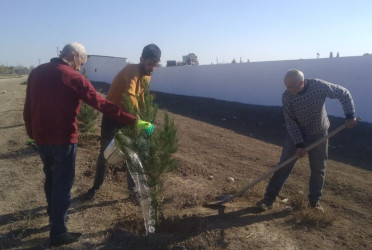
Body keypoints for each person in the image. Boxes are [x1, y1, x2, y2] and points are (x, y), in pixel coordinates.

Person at [23, 42, 151, 247]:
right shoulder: (74, 77)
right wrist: (134, 120)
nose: (80, 66)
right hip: (63, 141)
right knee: (62, 186)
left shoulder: (36, 72)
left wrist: (32, 134)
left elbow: (28, 107)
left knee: (50, 178)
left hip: (41, 140)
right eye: (81, 62)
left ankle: (53, 214)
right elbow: (102, 104)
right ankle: (58, 233)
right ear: (74, 56)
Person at [256, 69, 357, 213]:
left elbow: (343, 93)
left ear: (302, 83)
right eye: (286, 86)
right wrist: (299, 144)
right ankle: (269, 198)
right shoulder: (287, 97)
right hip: (297, 134)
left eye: (292, 86)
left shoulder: (319, 86)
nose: (288, 89)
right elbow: (291, 123)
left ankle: (314, 202)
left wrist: (349, 115)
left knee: (318, 169)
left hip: (319, 133)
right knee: (283, 166)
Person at [83, 44, 161, 200]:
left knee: (132, 154)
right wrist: (137, 119)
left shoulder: (147, 74)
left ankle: (133, 193)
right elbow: (131, 95)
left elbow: (142, 96)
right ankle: (96, 187)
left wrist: (146, 118)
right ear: (141, 59)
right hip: (113, 116)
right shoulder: (132, 70)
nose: (152, 68)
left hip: (129, 119)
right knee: (105, 153)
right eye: (150, 64)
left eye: (155, 65)